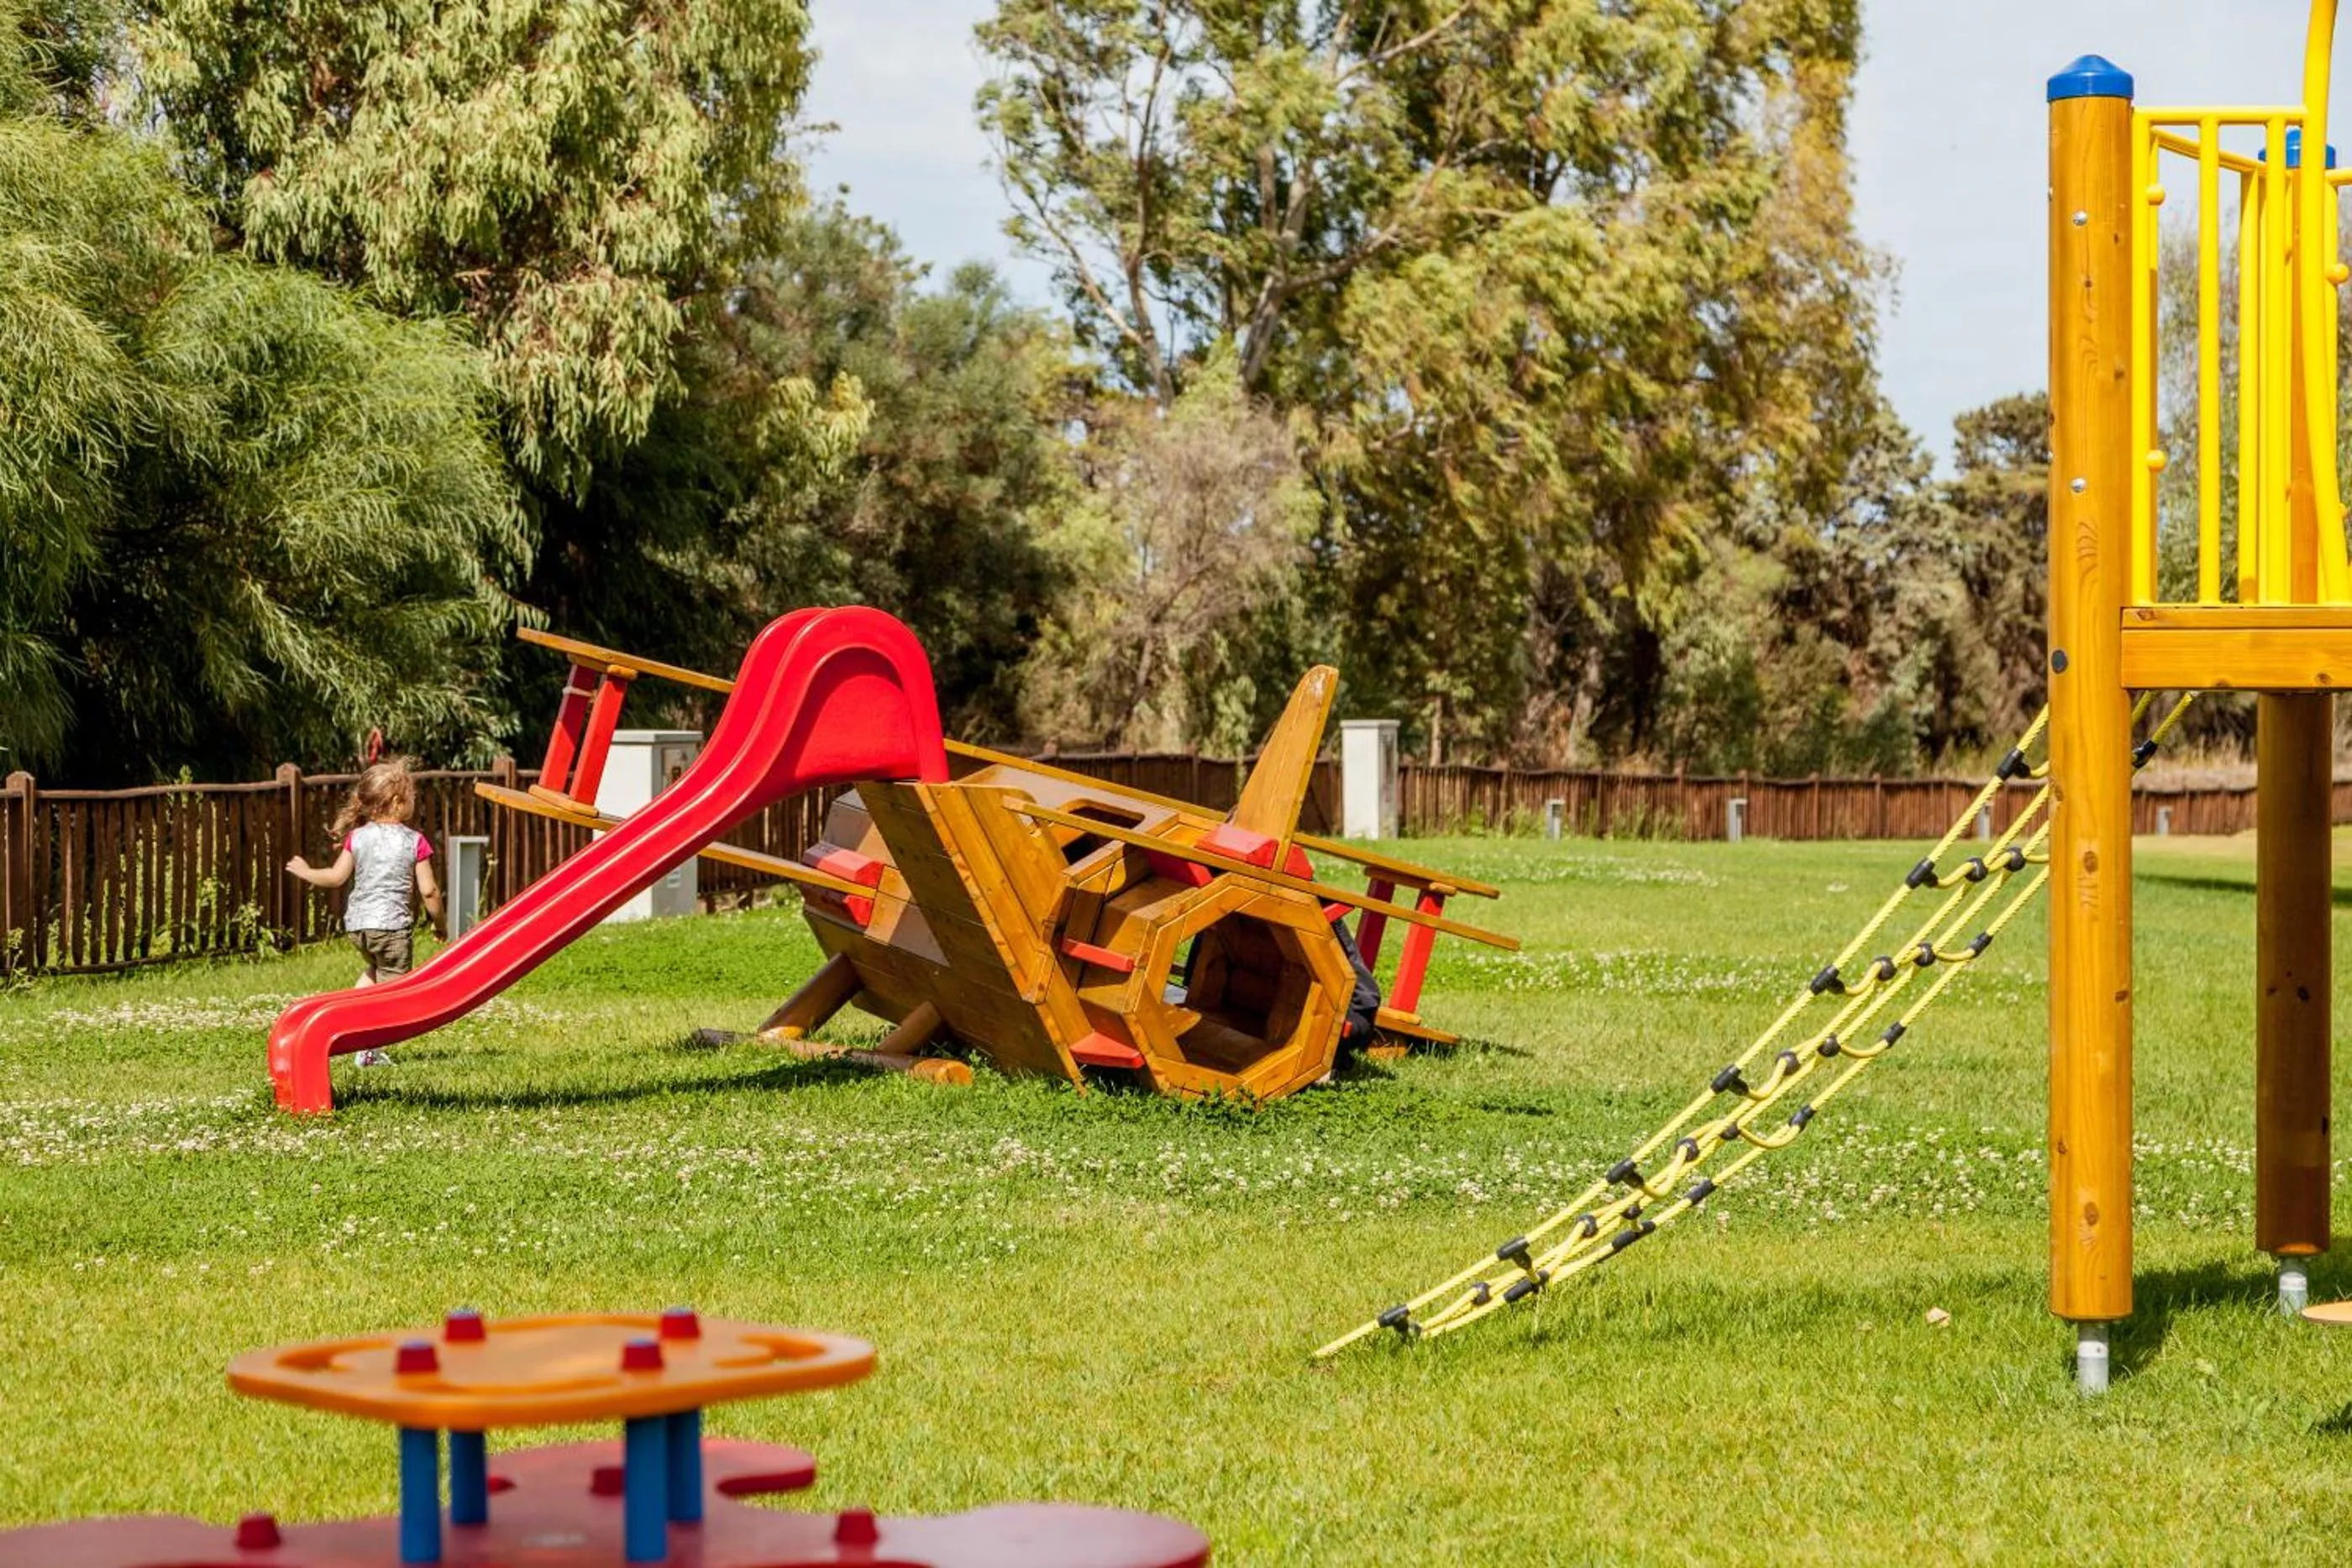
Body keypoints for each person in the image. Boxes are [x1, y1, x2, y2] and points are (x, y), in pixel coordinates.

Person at [285, 759, 444, 1065]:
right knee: (394, 993)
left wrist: (306, 872)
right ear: (397, 802)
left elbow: (335, 877)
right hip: (392, 929)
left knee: (375, 973)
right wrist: (441, 925)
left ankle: (349, 1018)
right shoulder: (414, 841)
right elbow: (429, 891)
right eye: (412, 797)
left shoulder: (357, 838)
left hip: (358, 928)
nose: (414, 801)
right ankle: (367, 1048)